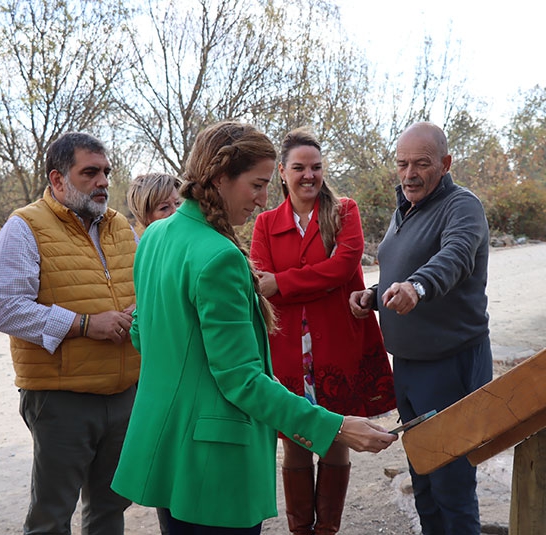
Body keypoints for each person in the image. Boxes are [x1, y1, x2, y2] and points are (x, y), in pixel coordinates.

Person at [111, 120, 397, 535]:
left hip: (165, 447)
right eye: (257, 184)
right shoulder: (219, 256)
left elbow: (144, 333)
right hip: (211, 459)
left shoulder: (156, 235)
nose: (264, 200)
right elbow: (242, 380)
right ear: (220, 177)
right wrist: (334, 426)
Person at [0, 132, 139, 535]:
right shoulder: (24, 226)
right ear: (58, 180)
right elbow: (9, 310)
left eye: (106, 172)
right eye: (90, 172)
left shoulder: (120, 225)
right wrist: (87, 325)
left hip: (124, 394)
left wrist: (139, 309)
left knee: (110, 510)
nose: (103, 182)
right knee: (52, 517)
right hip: (61, 398)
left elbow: (146, 286)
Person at [250, 128, 396, 535]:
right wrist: (289, 283)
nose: (308, 175)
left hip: (337, 343)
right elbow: (262, 282)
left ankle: (327, 529)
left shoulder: (344, 211)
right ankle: (301, 530)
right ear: (282, 172)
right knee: (295, 443)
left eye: (316, 167)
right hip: (286, 348)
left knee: (334, 440)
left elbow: (342, 268)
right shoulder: (264, 223)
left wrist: (284, 283)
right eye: (299, 167)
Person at [349, 122, 492, 534]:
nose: (410, 173)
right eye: (402, 164)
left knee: (452, 485)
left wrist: (418, 286)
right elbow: (405, 267)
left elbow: (455, 257)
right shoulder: (406, 209)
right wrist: (375, 295)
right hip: (409, 367)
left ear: (445, 164)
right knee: (424, 481)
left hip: (450, 366)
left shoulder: (462, 206)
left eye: (422, 164)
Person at [126, 172, 182, 535]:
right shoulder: (152, 254)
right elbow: (141, 333)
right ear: (144, 219)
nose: (176, 212)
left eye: (180, 203)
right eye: (165, 207)